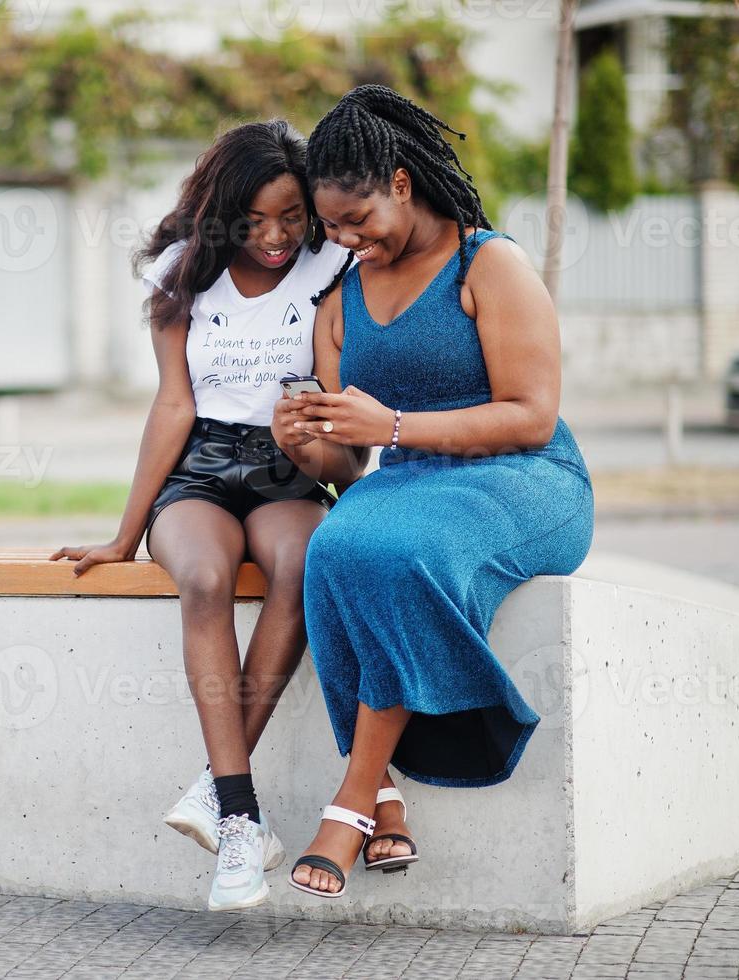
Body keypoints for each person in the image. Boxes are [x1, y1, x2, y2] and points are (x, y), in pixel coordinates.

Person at [268, 85, 595, 900]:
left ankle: (355, 793)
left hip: (526, 481)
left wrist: (393, 426)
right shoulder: (339, 298)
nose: (345, 241)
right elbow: (347, 464)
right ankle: (384, 798)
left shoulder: (489, 264)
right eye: (330, 227)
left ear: (403, 184)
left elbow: (530, 415)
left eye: (357, 221)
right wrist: (305, 446)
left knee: (401, 551)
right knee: (334, 547)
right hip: (407, 482)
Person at [50, 120, 351, 911]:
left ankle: (217, 795)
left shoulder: (331, 266)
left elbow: (332, 413)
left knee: (301, 564)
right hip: (202, 470)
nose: (276, 236)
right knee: (206, 577)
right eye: (254, 221)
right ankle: (242, 816)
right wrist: (124, 532)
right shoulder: (185, 275)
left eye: (292, 216)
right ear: (222, 215)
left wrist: (316, 448)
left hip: (290, 466)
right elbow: (173, 404)